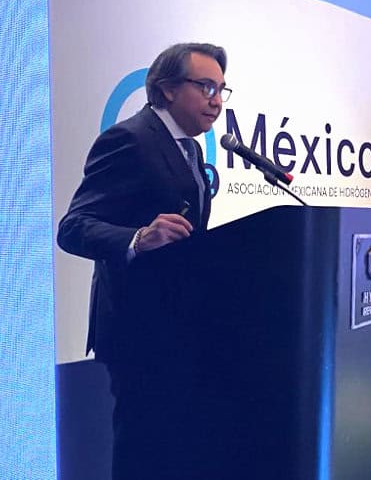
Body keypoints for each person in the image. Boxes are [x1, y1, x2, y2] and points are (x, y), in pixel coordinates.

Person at [56, 43, 229, 478]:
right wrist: (137, 237)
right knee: (144, 448)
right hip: (140, 330)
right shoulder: (129, 139)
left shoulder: (189, 149)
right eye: (206, 86)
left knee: (176, 446)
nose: (217, 100)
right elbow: (74, 227)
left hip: (182, 326)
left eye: (223, 89)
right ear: (168, 89)